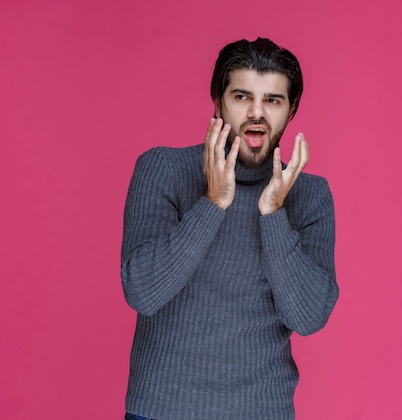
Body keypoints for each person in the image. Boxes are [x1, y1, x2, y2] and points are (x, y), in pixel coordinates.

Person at [121, 37, 338, 420]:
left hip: (261, 411)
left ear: (291, 111)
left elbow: (308, 318)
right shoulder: (162, 170)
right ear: (218, 102)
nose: (257, 113)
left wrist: (272, 213)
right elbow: (142, 292)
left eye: (273, 100)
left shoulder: (309, 194)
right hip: (160, 411)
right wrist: (214, 202)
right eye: (242, 97)